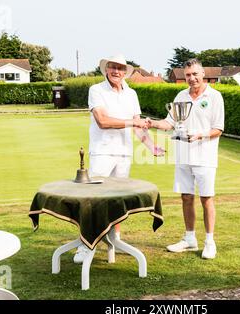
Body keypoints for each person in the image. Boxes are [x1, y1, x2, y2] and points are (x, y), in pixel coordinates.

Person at [73, 54, 164, 263]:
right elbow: (103, 121)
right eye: (113, 67)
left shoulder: (131, 94)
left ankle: (115, 238)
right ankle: (85, 244)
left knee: (118, 199)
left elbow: (138, 124)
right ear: (107, 69)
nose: (116, 71)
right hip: (102, 152)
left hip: (124, 154)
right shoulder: (96, 90)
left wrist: (151, 146)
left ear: (125, 72)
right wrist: (133, 124)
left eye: (120, 69)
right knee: (92, 200)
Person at [147, 58, 224, 259]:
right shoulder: (180, 95)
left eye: (195, 74)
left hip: (205, 156)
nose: (191, 78)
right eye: (188, 75)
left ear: (203, 73)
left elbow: (219, 129)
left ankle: (209, 242)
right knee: (186, 197)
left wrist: (200, 135)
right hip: (183, 155)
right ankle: (189, 239)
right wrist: (152, 123)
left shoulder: (214, 96)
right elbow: (170, 123)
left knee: (206, 199)